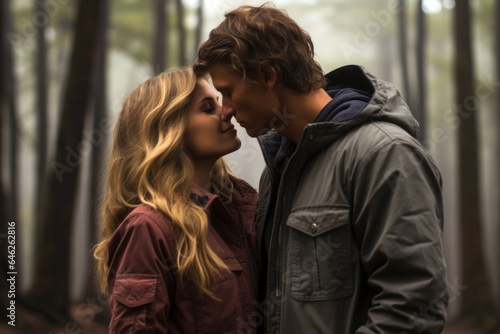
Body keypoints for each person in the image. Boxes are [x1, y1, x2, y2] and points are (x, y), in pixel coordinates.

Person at [194, 3, 449, 333]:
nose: (225, 109)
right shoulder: (278, 170)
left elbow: (414, 309)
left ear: (268, 75)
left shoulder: (384, 155)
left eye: (228, 92)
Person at [93, 67, 259, 333]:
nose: (226, 111)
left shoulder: (239, 209)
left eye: (218, 101)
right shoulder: (148, 229)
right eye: (207, 108)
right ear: (170, 131)